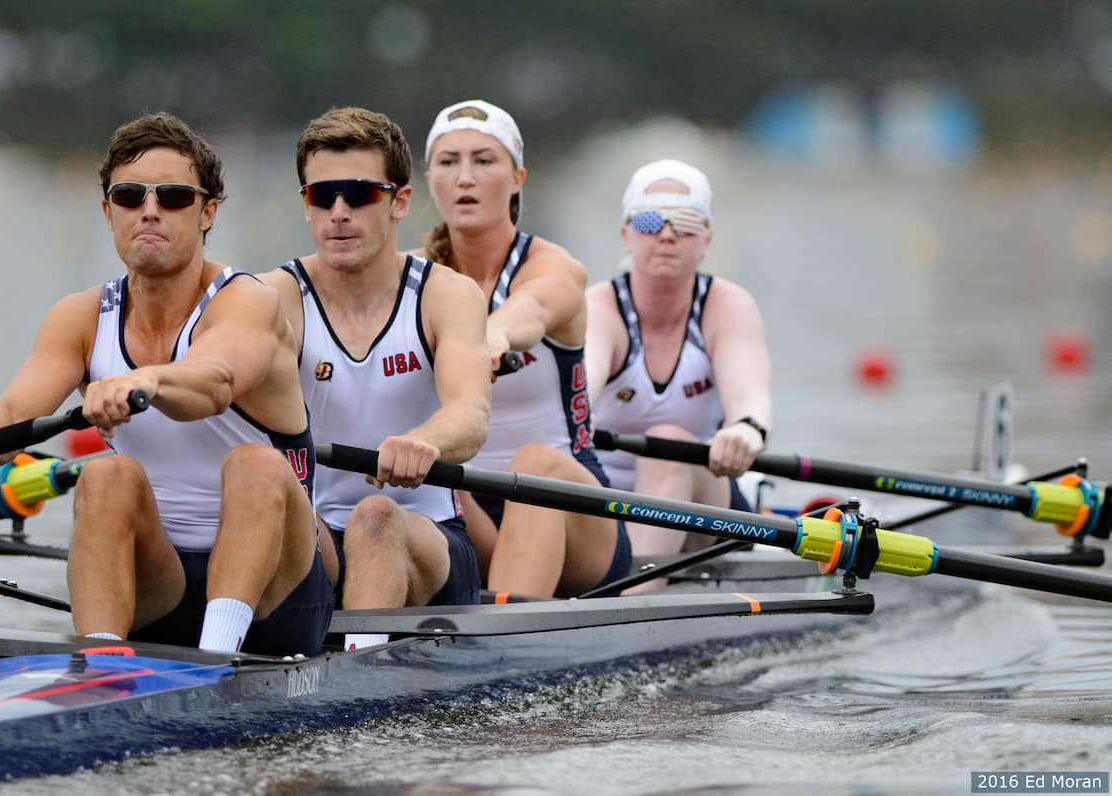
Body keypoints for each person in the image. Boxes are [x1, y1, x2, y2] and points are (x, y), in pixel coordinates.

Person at [0, 112, 331, 656]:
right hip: (157, 586)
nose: (150, 211)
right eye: (130, 196)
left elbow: (215, 382)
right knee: (104, 476)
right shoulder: (81, 316)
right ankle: (99, 666)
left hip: (275, 598)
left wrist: (149, 380)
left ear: (207, 212)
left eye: (173, 197)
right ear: (107, 211)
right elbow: (14, 408)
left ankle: (216, 658)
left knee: (256, 464)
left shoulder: (248, 301)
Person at [260, 106, 492, 650]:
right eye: (322, 196)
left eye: (359, 194)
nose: (339, 212)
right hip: (316, 539)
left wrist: (424, 442)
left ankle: (353, 695)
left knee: (375, 515)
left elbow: (472, 413)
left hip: (426, 540)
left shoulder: (446, 294)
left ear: (399, 202)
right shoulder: (273, 297)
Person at [418, 99, 629, 600]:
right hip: (463, 507)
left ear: (517, 178)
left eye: (484, 161)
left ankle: (500, 650)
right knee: (414, 464)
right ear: (429, 179)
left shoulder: (554, 268)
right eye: (449, 162)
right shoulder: (410, 276)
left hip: (572, 511)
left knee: (535, 460)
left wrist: (490, 337)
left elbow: (531, 310)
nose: (464, 177)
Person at [585, 158, 772, 566]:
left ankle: (630, 604)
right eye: (650, 222)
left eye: (685, 223)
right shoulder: (600, 307)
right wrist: (576, 411)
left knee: (669, 443)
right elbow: (586, 376)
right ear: (626, 235)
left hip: (708, 502)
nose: (667, 235)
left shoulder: (727, 305)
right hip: (605, 503)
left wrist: (746, 427)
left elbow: (750, 395)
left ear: (705, 240)